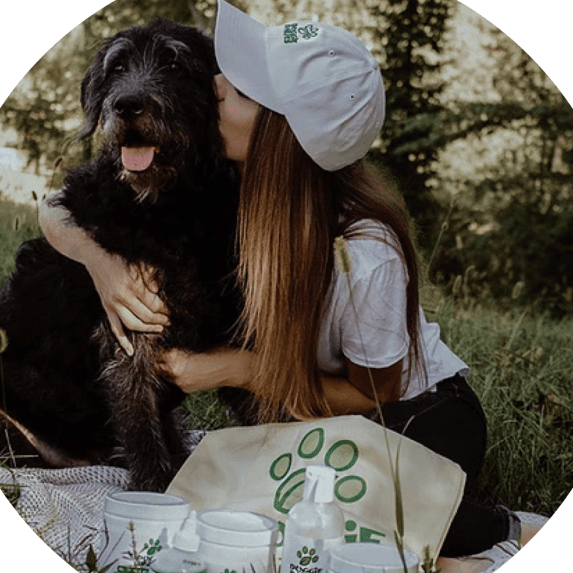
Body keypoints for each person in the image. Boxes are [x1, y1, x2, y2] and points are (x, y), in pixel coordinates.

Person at [39, 1, 542, 569]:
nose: (220, 84)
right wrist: (102, 264)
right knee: (254, 505)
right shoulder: (228, 183)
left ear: (283, 133)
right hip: (315, 417)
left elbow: (377, 393)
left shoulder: (362, 250)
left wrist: (232, 368)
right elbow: (61, 206)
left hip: (415, 417)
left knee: (325, 510)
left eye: (245, 91)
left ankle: (500, 531)